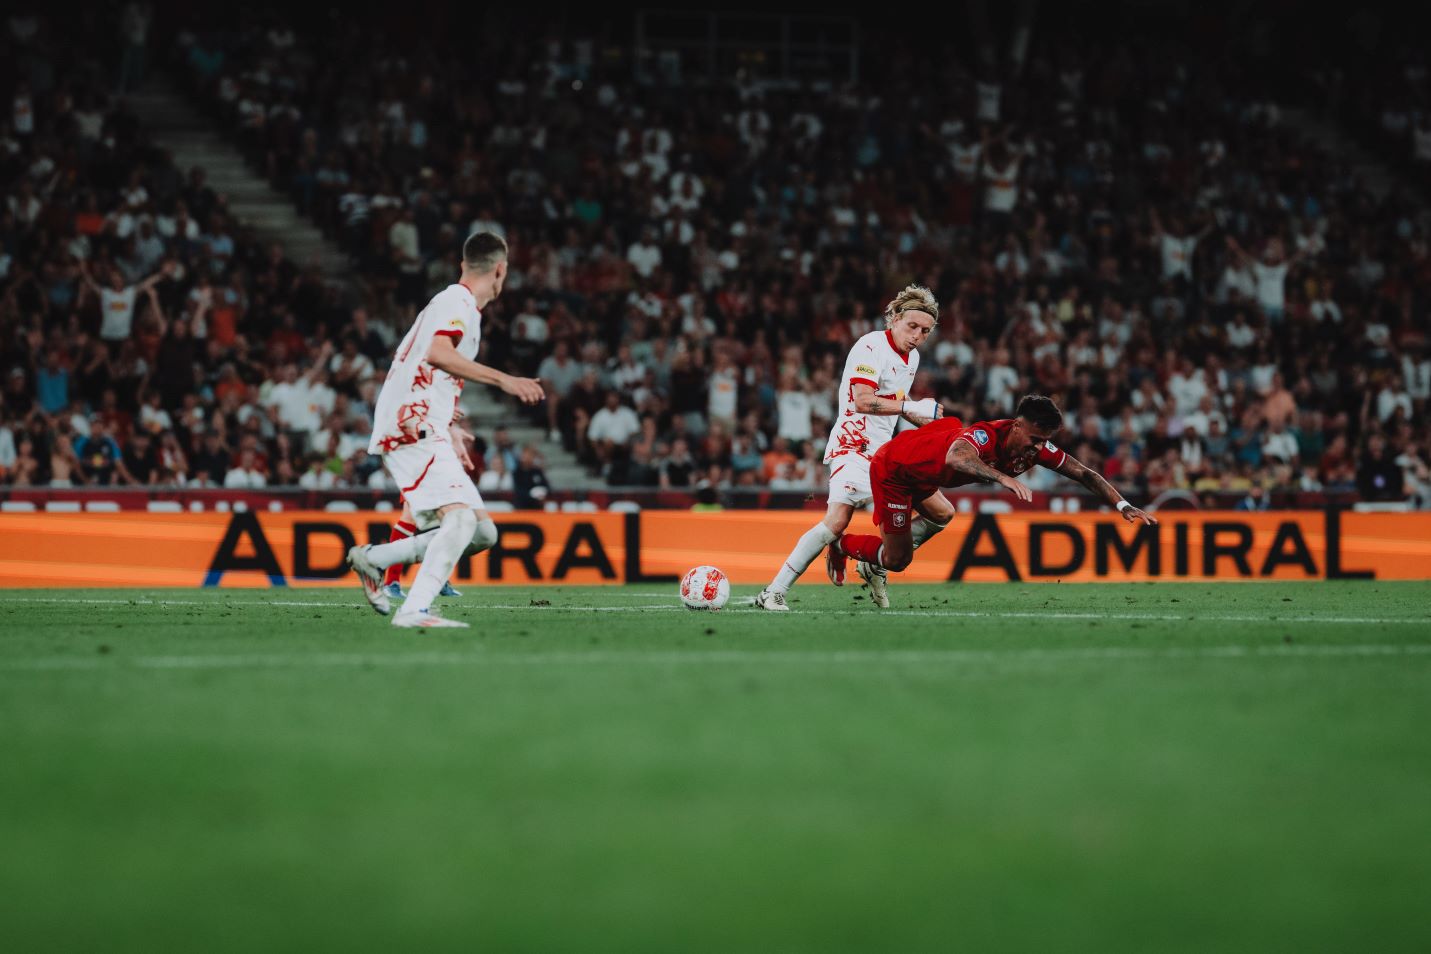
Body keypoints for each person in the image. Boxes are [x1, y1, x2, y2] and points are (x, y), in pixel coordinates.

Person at [345, 232, 545, 628]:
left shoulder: (457, 304)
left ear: (463, 264)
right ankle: (414, 610)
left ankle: (374, 558)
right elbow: (438, 354)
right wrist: (504, 380)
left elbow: (425, 368)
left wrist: (448, 421)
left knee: (483, 533)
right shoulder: (458, 301)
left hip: (424, 422)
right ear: (500, 269)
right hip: (411, 427)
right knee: (460, 522)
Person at [829, 395, 1157, 582]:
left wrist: (1121, 505)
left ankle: (882, 549)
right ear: (1016, 426)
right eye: (1034, 439)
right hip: (897, 471)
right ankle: (843, 545)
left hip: (926, 476)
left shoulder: (1038, 449)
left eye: (1045, 441)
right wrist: (1003, 478)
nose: (1038, 448)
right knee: (898, 561)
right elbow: (957, 456)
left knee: (944, 513)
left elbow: (1084, 474)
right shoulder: (986, 434)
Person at [756, 285, 943, 612]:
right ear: (895, 318)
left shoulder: (911, 357)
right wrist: (910, 408)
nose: (917, 335)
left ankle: (872, 561)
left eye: (925, 331)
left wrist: (937, 427)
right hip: (853, 444)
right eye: (912, 326)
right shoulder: (870, 345)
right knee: (837, 520)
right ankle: (773, 592)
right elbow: (863, 401)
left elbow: (896, 406)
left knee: (941, 513)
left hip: (885, 452)